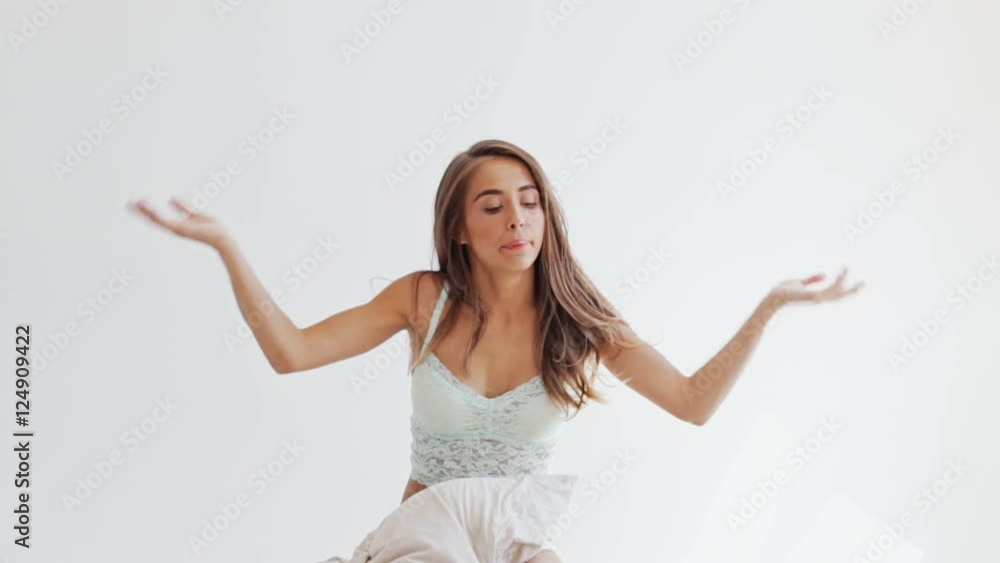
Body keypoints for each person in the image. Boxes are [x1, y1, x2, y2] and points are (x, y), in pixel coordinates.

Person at [128, 139, 863, 562]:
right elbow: (291, 352)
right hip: (429, 528)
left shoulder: (580, 321)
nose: (518, 218)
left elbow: (692, 403)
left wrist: (771, 306)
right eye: (493, 205)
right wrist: (226, 246)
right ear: (460, 228)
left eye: (530, 200)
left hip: (517, 531)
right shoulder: (423, 299)